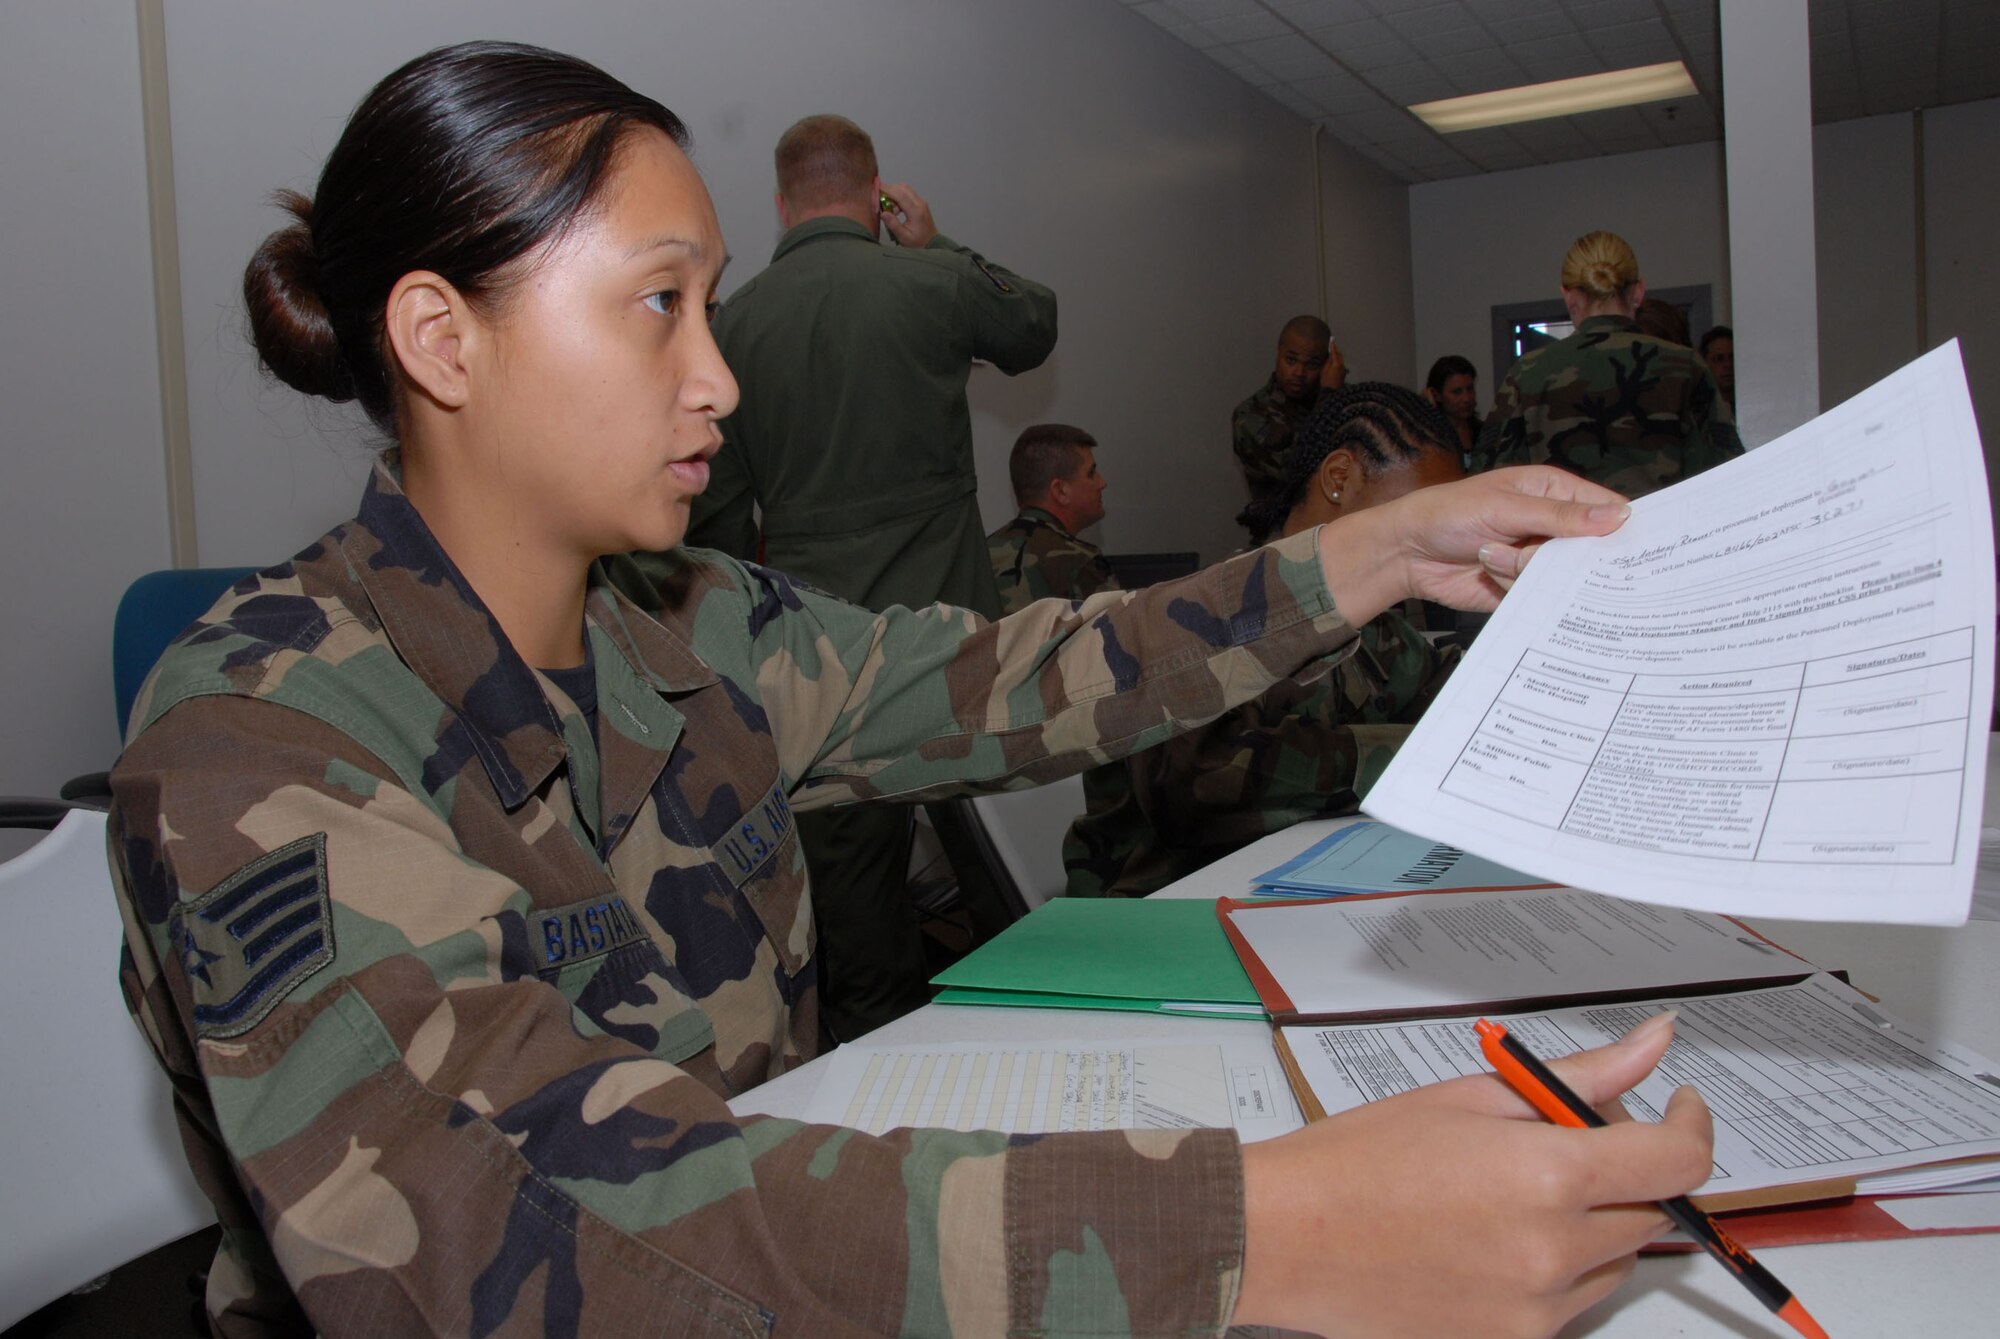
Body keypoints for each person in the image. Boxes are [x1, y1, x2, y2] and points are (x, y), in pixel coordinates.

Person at [109, 42, 1710, 1338]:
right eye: (660, 301)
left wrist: (1366, 556)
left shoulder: (697, 626)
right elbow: (522, 1229)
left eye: (710, 303)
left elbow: (1031, 672)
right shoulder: (255, 736)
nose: (718, 374)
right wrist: (1267, 1228)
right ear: (441, 339)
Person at [684, 112, 1059, 1040]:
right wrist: (939, 244)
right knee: (1006, 866)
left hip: (821, 659)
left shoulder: (732, 330)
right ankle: (1046, 1034)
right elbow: (1033, 322)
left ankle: (891, 1089)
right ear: (878, 192)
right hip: (957, 640)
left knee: (856, 919)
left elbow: (720, 524)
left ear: (781, 204)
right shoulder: (929, 280)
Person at [1066, 384, 1463, 898]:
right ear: (1339, 479)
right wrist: (1416, 756)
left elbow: (1451, 697)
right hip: (1161, 913)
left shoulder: (1378, 627)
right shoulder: (1207, 616)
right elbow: (1200, 780)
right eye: (1426, 515)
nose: (1447, 541)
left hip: (1308, 895)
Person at [1473, 231, 1742, 499]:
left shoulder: (1526, 374)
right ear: (1638, 292)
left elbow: (1490, 486)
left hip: (1564, 536)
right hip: (1667, 535)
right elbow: (1727, 477)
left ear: (1568, 296)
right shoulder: (1685, 366)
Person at [987, 423, 1119, 614]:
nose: (1102, 483)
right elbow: (1116, 638)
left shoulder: (981, 557)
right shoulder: (1081, 563)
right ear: (1060, 490)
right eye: (1091, 473)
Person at [1232, 314, 1346, 514]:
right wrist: (1329, 397)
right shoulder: (1251, 415)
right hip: (1282, 533)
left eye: (1311, 364)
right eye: (1291, 360)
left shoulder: (1344, 401)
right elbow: (1303, 474)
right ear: (1278, 354)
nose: (1299, 372)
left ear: (1328, 364)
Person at [1422, 353, 1479, 461]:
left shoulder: (1483, 433)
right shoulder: (1431, 436)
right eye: (1457, 392)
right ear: (1436, 395)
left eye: (1470, 389)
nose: (1467, 398)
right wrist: (1427, 407)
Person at [1701, 323, 1736, 412]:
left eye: (1732, 358)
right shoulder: (1699, 412)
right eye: (1719, 359)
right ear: (1705, 363)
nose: (1728, 365)